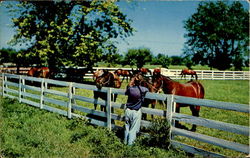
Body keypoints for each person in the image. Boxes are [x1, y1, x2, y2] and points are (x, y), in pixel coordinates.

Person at [124, 75, 149, 145]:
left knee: (127, 127)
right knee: (133, 129)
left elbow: (126, 91)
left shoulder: (130, 89)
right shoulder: (143, 89)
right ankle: (130, 146)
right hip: (136, 111)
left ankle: (125, 143)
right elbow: (148, 90)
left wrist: (131, 82)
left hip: (128, 110)